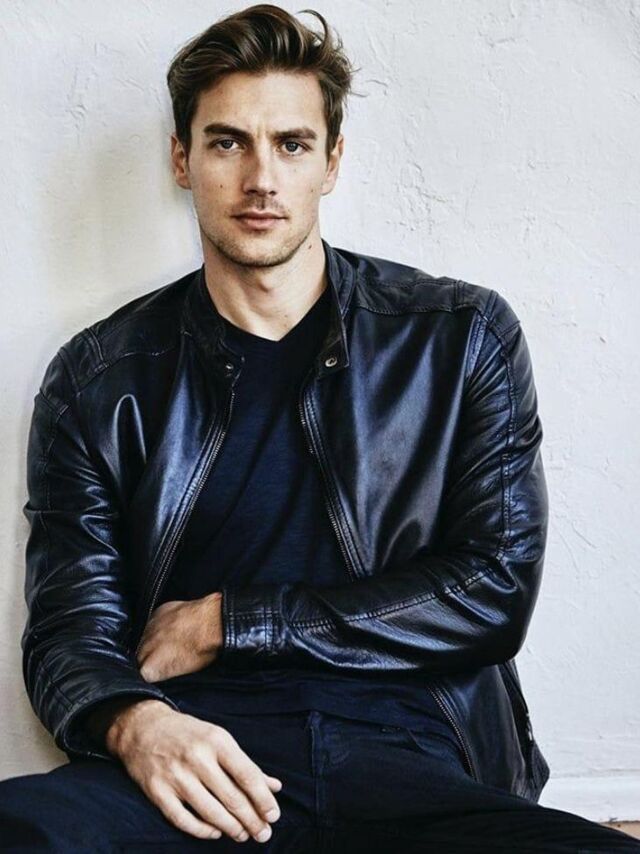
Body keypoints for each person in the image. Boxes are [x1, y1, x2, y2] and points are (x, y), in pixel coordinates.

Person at [1, 4, 637, 852]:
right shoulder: (99, 378)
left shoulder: (458, 339)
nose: (261, 178)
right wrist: (134, 723)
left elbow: (492, 588)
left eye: (292, 145)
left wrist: (231, 620)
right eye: (228, 143)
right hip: (205, 758)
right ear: (181, 160)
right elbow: (69, 627)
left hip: (407, 748)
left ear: (332, 162)